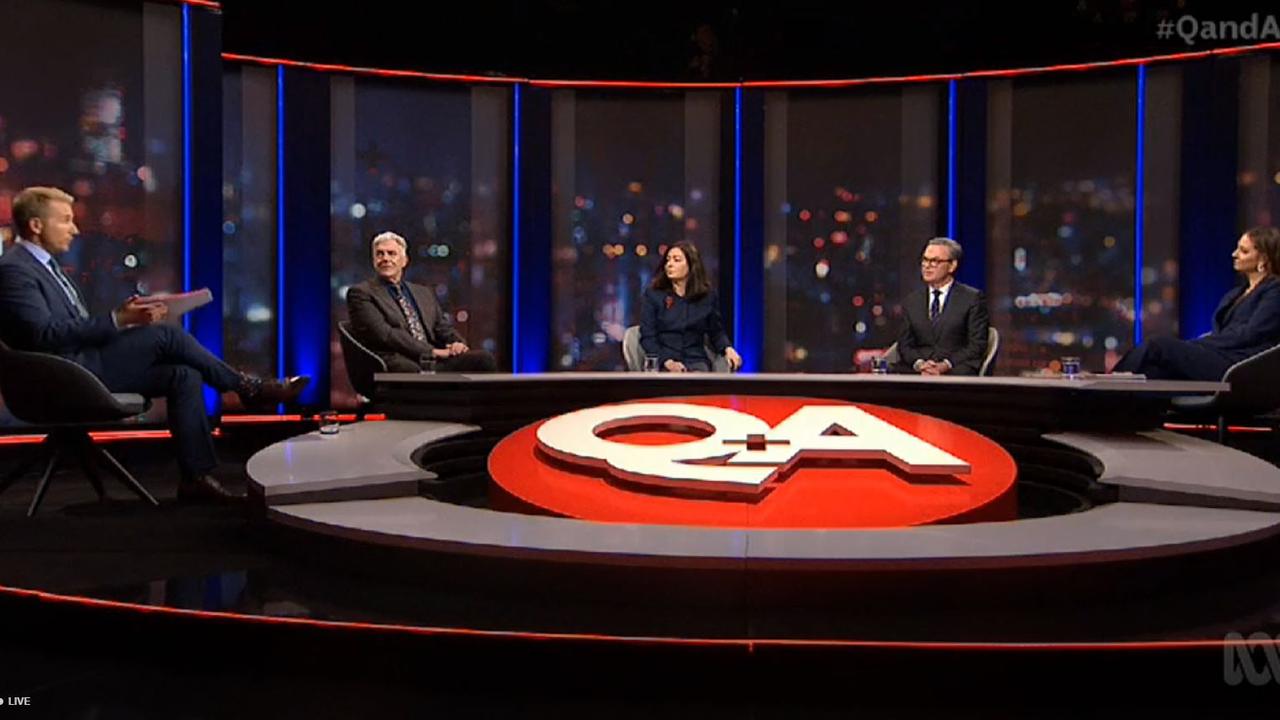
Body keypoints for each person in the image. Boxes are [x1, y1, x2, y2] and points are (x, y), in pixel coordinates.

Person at [0, 186, 309, 502]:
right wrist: (119, 319)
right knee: (167, 335)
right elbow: (44, 336)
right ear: (36, 226)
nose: (75, 229)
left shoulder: (43, 267)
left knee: (182, 375)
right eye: (65, 220)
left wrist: (130, 317)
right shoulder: (16, 270)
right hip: (60, 376)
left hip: (79, 365)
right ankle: (247, 388)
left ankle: (196, 478)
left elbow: (68, 328)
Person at [1112, 226, 1280, 380]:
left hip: (1240, 364)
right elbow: (1221, 332)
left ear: (1263, 259)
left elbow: (1251, 334)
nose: (1234, 254)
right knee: (1153, 372)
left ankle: (1109, 384)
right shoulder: (1236, 294)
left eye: (1243, 251)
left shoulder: (1275, 291)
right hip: (1219, 354)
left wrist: (1200, 345)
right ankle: (1112, 401)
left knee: (1157, 345)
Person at [345, 231, 496, 373]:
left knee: (483, 360)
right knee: (412, 370)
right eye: (380, 254)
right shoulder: (361, 293)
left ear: (404, 261)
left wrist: (456, 343)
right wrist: (432, 352)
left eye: (391, 254)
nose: (385, 258)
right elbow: (386, 335)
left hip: (434, 360)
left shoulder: (422, 292)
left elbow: (442, 328)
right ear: (374, 260)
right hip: (400, 360)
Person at [640, 241, 742, 372]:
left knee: (702, 382)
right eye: (667, 260)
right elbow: (648, 336)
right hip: (665, 363)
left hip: (696, 361)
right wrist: (667, 362)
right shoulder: (654, 295)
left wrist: (728, 349)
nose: (669, 265)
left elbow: (716, 332)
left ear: (691, 265)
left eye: (677, 260)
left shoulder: (707, 296)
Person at [894, 237, 990, 376]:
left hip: (955, 368)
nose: (927, 266)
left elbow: (976, 345)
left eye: (935, 261)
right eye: (925, 260)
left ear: (952, 266)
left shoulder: (972, 298)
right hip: (919, 370)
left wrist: (945, 365)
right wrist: (921, 364)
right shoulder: (912, 301)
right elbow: (904, 345)